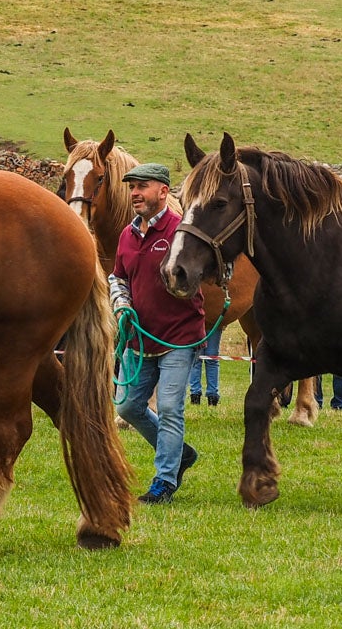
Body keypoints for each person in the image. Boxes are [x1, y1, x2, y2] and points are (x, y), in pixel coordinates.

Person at [110, 162, 203, 505]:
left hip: (178, 337)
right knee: (128, 407)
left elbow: (197, 278)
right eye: (132, 187)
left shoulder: (183, 232)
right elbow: (117, 277)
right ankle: (182, 455)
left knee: (168, 407)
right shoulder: (126, 235)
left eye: (142, 186)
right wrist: (121, 304)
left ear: (163, 191)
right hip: (138, 338)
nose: (134, 193)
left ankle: (165, 479)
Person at [187, 326, 221, 406]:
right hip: (211, 325)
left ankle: (196, 396)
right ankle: (211, 396)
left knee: (197, 361)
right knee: (210, 360)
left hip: (201, 325)